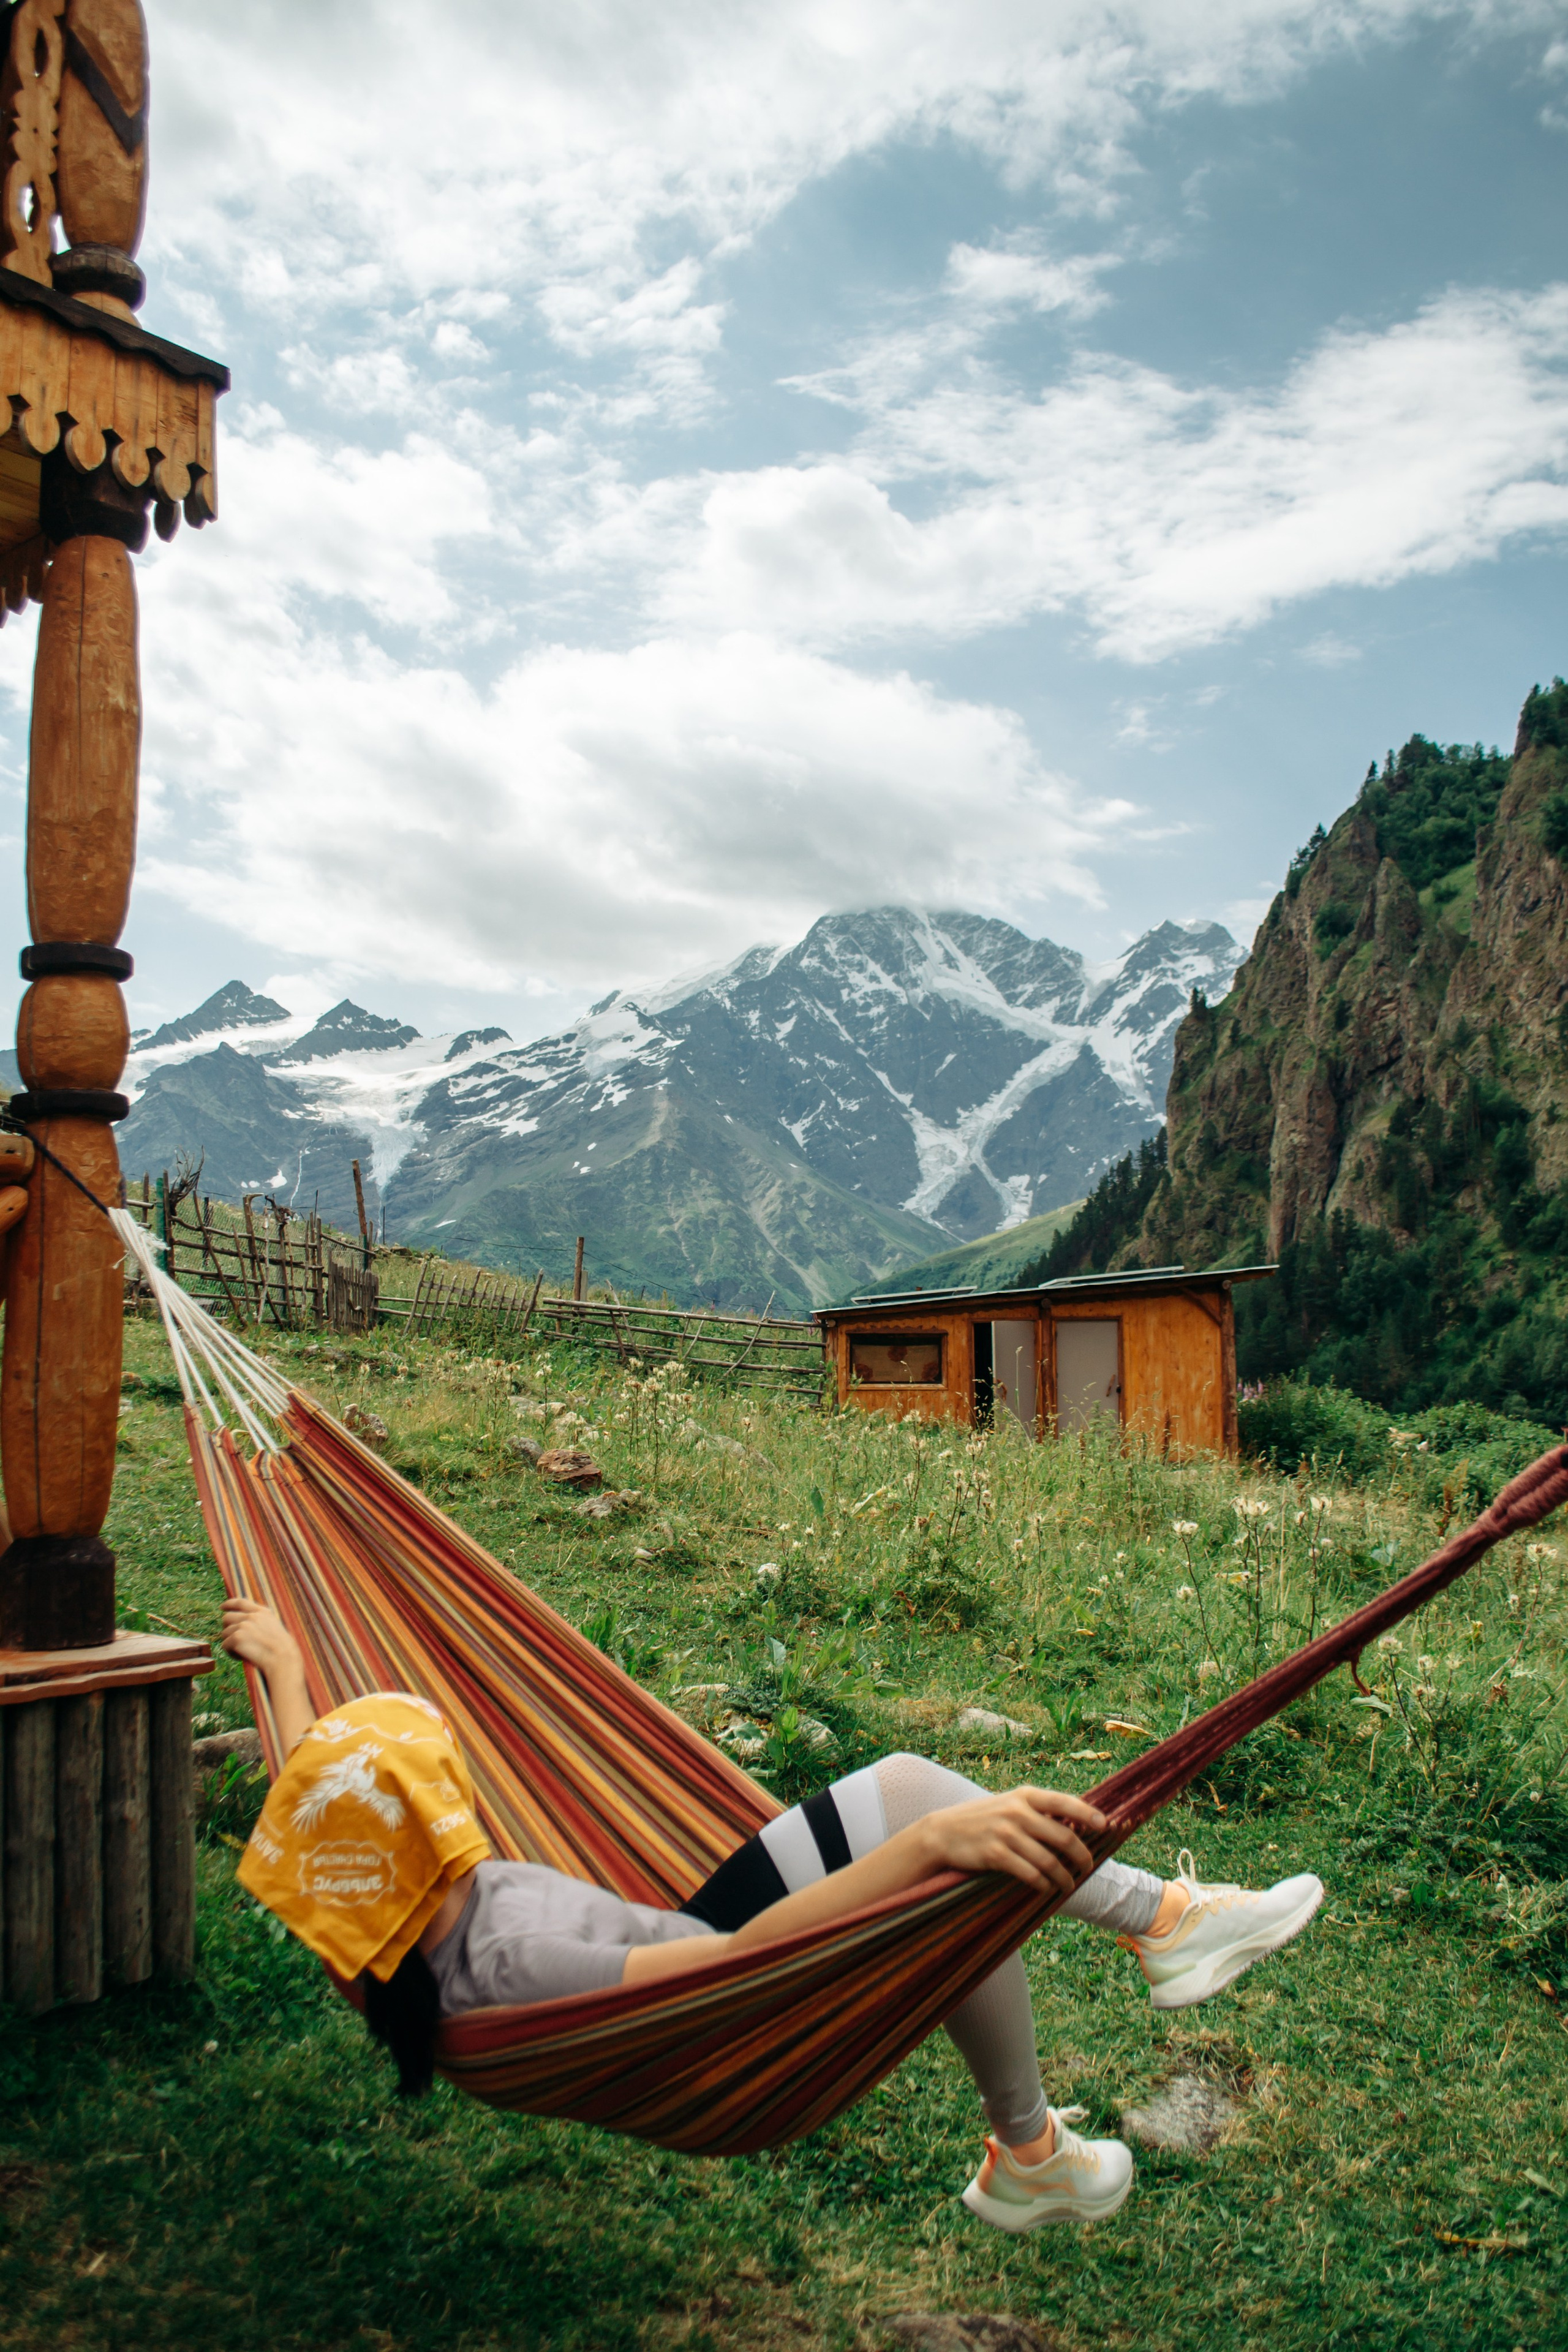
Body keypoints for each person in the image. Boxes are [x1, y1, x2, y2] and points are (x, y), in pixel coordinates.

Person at [222, 1595, 1322, 2234]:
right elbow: (729, 1967)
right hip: (724, 1992)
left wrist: (286, 1669)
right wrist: (921, 1850)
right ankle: (1155, 1929)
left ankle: (1047, 2122)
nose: (458, 1799)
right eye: (442, 1794)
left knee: (927, 1840)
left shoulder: (377, 1916)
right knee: (932, 1834)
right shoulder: (513, 1966)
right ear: (424, 1842)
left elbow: (323, 1803)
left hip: (676, 1930)